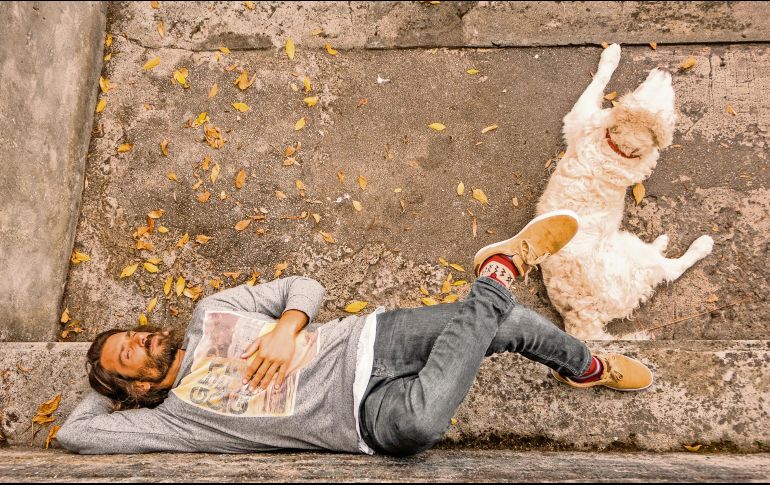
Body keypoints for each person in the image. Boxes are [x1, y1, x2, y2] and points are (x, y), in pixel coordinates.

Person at [57, 210, 653, 456]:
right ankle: (499, 271)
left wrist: (290, 327)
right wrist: (106, 387)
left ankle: (584, 366)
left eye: (129, 334)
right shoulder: (172, 421)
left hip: (371, 340)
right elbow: (74, 434)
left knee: (515, 323)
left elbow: (304, 285)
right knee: (422, 426)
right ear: (132, 389)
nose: (137, 341)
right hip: (362, 416)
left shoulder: (213, 311)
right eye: (125, 356)